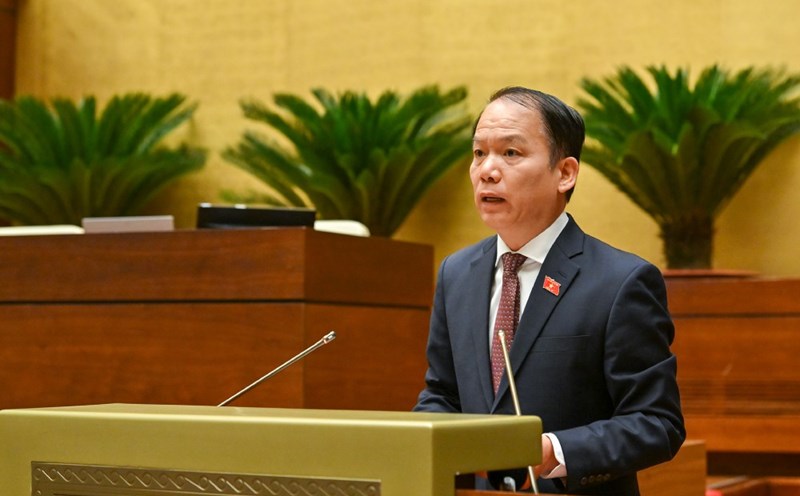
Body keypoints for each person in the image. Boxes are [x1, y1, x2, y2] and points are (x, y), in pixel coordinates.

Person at [413, 86, 685, 495]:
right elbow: (443, 395)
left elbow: (656, 423)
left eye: (511, 153)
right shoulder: (456, 273)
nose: (487, 169)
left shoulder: (621, 281)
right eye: (478, 153)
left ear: (565, 173)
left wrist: (554, 450)